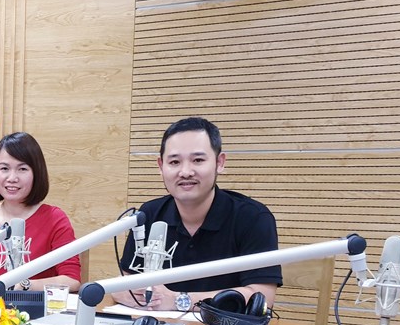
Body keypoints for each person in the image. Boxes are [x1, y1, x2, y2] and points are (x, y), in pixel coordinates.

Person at [114, 116, 281, 311]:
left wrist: (178, 301)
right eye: (174, 162)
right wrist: (126, 292)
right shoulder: (149, 214)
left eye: (198, 160)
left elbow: (263, 297)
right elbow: (125, 282)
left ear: (219, 162)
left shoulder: (253, 218)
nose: (185, 172)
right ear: (161, 166)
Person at [0, 132, 80, 291]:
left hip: (39, 307)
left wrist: (21, 285)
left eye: (22, 169)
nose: (12, 178)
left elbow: (71, 280)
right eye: (4, 168)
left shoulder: (55, 219)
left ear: (36, 173)